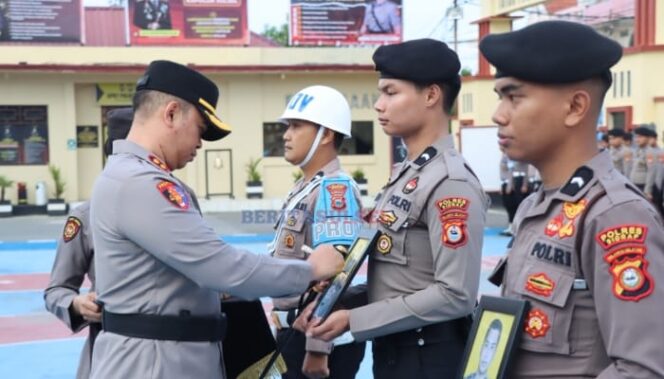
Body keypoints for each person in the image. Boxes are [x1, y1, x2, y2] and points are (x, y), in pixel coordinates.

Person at [88, 60, 344, 379]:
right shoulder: (140, 183)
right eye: (200, 128)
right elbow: (221, 267)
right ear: (170, 114)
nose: (200, 143)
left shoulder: (128, 176)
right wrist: (310, 270)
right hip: (156, 363)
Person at [482, 20, 664, 377]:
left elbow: (642, 369)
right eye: (500, 98)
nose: (498, 114)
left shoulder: (616, 216)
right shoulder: (539, 206)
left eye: (514, 97)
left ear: (575, 107)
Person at [299, 38, 489, 378]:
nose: (378, 105)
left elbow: (455, 294)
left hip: (430, 358)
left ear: (431, 95)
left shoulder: (449, 181)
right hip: (395, 351)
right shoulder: (407, 174)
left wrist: (354, 320)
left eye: (390, 92)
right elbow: (400, 280)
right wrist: (338, 303)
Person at [268, 85, 366, 379]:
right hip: (294, 333)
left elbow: (336, 273)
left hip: (318, 341)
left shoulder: (334, 189)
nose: (286, 134)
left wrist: (317, 347)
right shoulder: (307, 186)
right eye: (287, 126)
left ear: (326, 134)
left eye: (296, 126)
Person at [43, 108, 133, 379]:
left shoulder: (178, 206)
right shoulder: (85, 217)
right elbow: (56, 289)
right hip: (109, 350)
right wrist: (76, 303)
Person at [499, 152, 531, 236]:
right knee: (510, 205)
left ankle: (520, 226)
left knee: (520, 205)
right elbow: (507, 173)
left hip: (520, 180)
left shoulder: (522, 157)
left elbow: (526, 171)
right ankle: (512, 226)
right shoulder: (506, 158)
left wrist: (524, 184)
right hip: (512, 182)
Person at [629, 126, 654, 193]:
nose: (637, 139)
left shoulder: (650, 152)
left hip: (643, 185)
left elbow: (651, 172)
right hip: (633, 183)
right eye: (636, 137)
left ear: (648, 138)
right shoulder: (636, 151)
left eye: (640, 137)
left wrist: (648, 190)